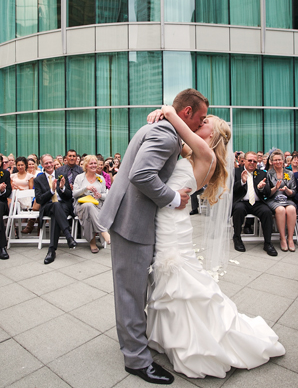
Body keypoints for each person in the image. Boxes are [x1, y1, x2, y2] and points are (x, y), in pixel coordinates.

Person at [144, 106, 285, 378]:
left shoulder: (205, 153)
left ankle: (193, 342)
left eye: (205, 121)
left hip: (173, 223)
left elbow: (177, 121)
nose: (200, 121)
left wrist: (167, 111)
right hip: (171, 218)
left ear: (215, 133)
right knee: (170, 277)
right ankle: (171, 336)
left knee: (178, 277)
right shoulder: (195, 152)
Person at [100, 88, 208, 385]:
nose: (199, 125)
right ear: (186, 113)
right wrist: (173, 198)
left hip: (134, 219)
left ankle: (136, 340)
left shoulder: (162, 127)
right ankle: (136, 359)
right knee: (131, 293)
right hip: (131, 222)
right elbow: (141, 175)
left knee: (134, 290)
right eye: (199, 119)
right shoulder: (166, 134)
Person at [35, 154, 78, 264]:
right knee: (55, 206)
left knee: (56, 210)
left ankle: (52, 250)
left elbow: (69, 195)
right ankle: (68, 235)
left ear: (53, 163)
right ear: (42, 165)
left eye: (50, 162)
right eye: (46, 163)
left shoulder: (61, 174)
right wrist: (51, 191)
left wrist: (62, 188)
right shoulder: (38, 179)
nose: (49, 165)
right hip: (48, 206)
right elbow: (39, 200)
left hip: (63, 205)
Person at [231, 152, 277, 256]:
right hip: (242, 202)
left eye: (254, 161)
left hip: (257, 203)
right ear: (244, 160)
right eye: (250, 160)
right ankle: (237, 238)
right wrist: (242, 182)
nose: (252, 163)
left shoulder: (262, 173)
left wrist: (261, 188)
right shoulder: (236, 172)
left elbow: (268, 192)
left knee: (267, 212)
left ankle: (268, 243)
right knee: (238, 209)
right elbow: (232, 190)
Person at [72, 155, 111, 253]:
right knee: (88, 206)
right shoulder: (79, 178)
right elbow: (74, 194)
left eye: (95, 163)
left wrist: (99, 196)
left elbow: (106, 196)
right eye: (91, 164)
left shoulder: (100, 178)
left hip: (97, 206)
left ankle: (92, 242)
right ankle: (103, 231)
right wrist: (86, 188)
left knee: (89, 209)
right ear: (86, 166)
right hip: (81, 205)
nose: (94, 165)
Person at [264, 150, 298, 252]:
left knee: (291, 209)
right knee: (280, 210)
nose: (278, 162)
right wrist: (275, 188)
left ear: (283, 161)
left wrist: (287, 190)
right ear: (271, 162)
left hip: (287, 198)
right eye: (275, 160)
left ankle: (290, 238)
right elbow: (267, 193)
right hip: (273, 199)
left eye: (279, 160)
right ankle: (282, 238)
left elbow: (294, 191)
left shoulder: (289, 173)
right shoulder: (268, 174)